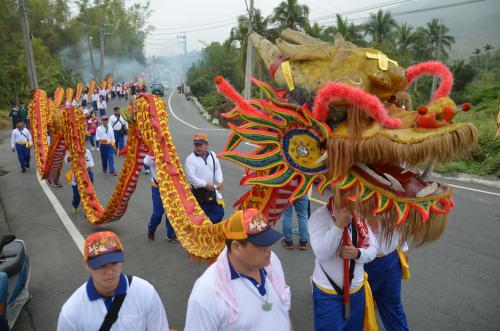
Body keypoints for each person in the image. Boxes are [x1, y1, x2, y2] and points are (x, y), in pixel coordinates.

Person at [184, 209, 292, 331]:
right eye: (261, 244)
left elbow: (284, 309)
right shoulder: (207, 292)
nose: (268, 250)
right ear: (236, 247)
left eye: (268, 242)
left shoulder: (272, 261)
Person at [57, 231, 169, 330]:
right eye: (101, 265)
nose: (110, 271)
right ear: (87, 266)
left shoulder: (146, 293)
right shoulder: (71, 313)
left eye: (114, 262)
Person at [308, 198, 378, 331]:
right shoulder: (319, 217)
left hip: (356, 290)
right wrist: (338, 226)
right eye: (344, 191)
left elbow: (374, 248)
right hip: (328, 292)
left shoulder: (360, 214)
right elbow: (321, 253)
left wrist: (357, 253)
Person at [364, 229, 410, 331]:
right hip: (360, 263)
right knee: (357, 313)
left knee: (393, 307)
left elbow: (400, 219)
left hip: (390, 259)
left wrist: (403, 246)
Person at [185, 133, 224, 224]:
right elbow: (191, 177)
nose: (197, 147)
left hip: (212, 191)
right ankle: (204, 231)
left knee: (219, 213)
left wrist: (220, 181)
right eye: (196, 145)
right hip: (199, 193)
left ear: (207, 145)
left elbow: (217, 169)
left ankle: (207, 229)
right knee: (202, 215)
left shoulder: (213, 155)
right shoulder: (190, 159)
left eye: (200, 145)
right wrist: (205, 184)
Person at [143, 153, 177, 242]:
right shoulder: (153, 149)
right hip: (157, 187)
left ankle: (170, 234)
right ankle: (151, 230)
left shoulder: (169, 148)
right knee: (158, 213)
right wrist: (155, 155)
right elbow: (146, 161)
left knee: (170, 211)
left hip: (170, 186)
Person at [65, 148, 94, 214]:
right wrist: (72, 155)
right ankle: (75, 206)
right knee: (77, 194)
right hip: (76, 175)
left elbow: (91, 164)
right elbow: (67, 161)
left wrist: (91, 175)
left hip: (87, 174)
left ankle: (88, 208)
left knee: (89, 192)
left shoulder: (87, 151)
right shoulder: (71, 150)